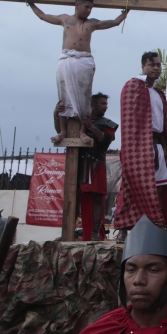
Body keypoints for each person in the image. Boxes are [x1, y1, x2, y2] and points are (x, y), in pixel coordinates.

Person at [30, 0, 128, 144]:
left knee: (84, 97)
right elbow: (43, 16)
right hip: (67, 59)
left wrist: (126, 10)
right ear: (77, 6)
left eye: (91, 8)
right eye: (86, 7)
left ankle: (82, 131)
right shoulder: (65, 19)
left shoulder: (91, 23)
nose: (89, 10)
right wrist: (31, 3)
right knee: (63, 96)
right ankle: (63, 132)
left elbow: (114, 22)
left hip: (84, 61)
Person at [115, 52, 167, 235]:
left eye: (159, 65)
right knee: (133, 186)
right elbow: (131, 123)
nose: (156, 68)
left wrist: (164, 147)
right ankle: (124, 227)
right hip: (137, 146)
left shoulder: (158, 92)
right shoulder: (133, 87)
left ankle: (157, 227)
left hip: (157, 145)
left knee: (160, 187)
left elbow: (160, 124)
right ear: (143, 66)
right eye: (152, 65)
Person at [54, 93, 119, 241]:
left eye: (106, 104)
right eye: (103, 104)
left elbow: (105, 141)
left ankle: (95, 232)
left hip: (96, 163)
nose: (106, 106)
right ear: (93, 104)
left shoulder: (108, 123)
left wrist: (90, 126)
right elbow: (61, 132)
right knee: (73, 196)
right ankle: (69, 231)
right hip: (78, 163)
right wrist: (56, 114)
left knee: (97, 198)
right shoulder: (77, 120)